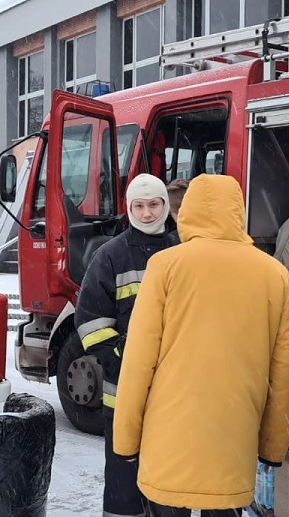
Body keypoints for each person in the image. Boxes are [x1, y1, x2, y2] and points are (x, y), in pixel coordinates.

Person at [113, 175, 289, 517]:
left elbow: (138, 362)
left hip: (169, 440)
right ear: (238, 211)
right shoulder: (273, 274)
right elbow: (285, 371)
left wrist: (126, 440)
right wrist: (273, 447)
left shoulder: (165, 266)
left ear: (186, 212)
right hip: (234, 440)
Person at [74, 173, 179, 517]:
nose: (147, 214)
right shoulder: (109, 256)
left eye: (154, 205)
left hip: (174, 397)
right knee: (124, 484)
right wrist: (128, 359)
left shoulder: (182, 251)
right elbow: (90, 323)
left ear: (165, 205)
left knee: (170, 482)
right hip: (122, 397)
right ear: (129, 209)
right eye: (139, 206)